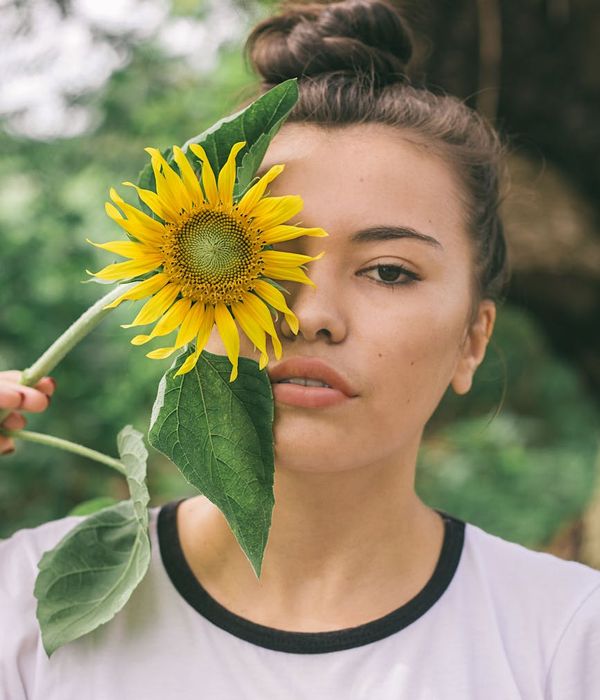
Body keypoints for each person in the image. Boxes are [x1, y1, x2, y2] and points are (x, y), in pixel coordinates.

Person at [1, 1, 599, 697]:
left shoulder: (566, 638)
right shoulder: (22, 612)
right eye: (267, 258)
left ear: (472, 340)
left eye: (389, 271)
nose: (311, 315)